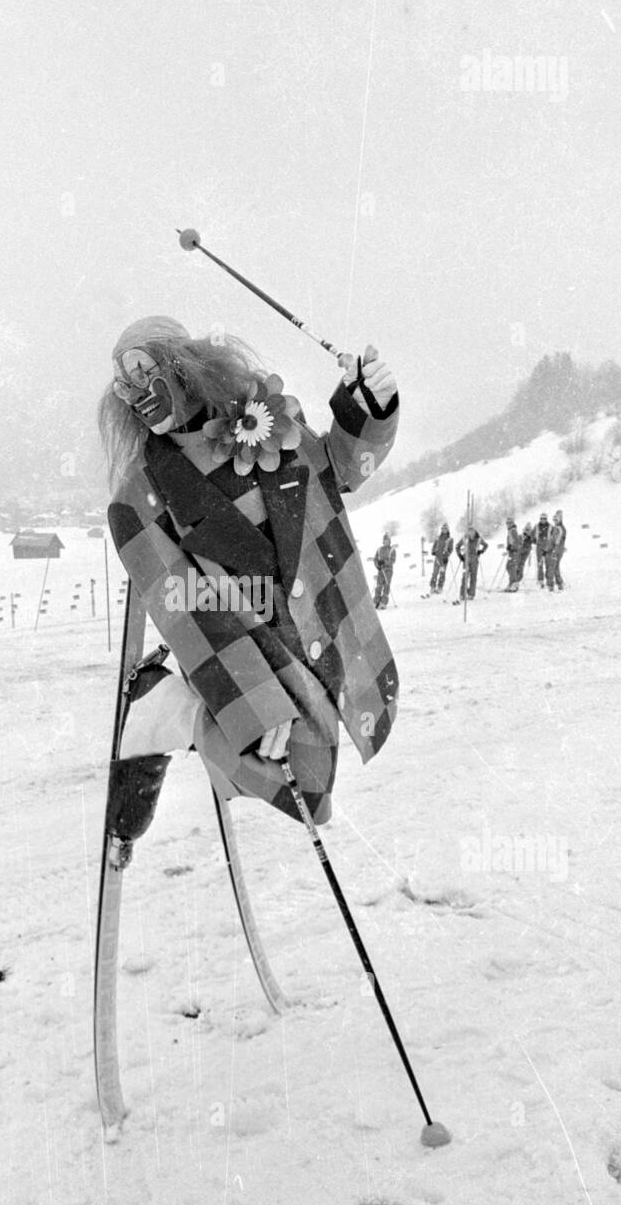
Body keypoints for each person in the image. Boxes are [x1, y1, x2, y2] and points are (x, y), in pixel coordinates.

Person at [99, 315, 400, 843]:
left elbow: (341, 471)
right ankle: (168, 712)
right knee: (304, 785)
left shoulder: (270, 421)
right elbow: (186, 606)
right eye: (124, 384)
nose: (135, 392)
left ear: (185, 364)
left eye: (143, 370)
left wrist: (367, 409)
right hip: (242, 646)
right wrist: (256, 705)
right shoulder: (137, 499)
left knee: (349, 728)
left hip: (320, 625)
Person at [456, 525, 487, 600]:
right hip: (466, 559)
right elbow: (457, 546)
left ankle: (471, 594)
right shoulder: (465, 538)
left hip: (475, 559)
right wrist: (460, 555)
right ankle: (462, 594)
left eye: (472, 531)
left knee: (473, 577)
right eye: (469, 531)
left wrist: (481, 551)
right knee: (465, 577)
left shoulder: (478, 539)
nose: (471, 532)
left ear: (475, 531)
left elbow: (486, 545)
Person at [373, 533, 397, 608]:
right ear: (383, 541)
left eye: (388, 540)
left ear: (390, 541)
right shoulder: (379, 549)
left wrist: (384, 562)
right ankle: (376, 601)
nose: (386, 542)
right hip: (381, 570)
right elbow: (375, 559)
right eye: (385, 540)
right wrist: (377, 565)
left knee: (386, 585)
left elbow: (392, 560)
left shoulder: (392, 550)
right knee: (379, 585)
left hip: (388, 570)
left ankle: (383, 602)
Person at [429, 523, 452, 594]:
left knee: (442, 573)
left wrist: (447, 555)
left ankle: (440, 587)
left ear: (447, 530)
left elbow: (450, 549)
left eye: (445, 529)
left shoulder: (450, 539)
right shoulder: (438, 538)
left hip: (444, 559)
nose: (444, 530)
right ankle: (433, 587)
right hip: (437, 558)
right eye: (442, 529)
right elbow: (434, 545)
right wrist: (433, 551)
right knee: (435, 573)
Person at [546, 510, 566, 590]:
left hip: (556, 551)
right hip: (555, 550)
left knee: (551, 567)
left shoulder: (560, 529)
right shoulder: (556, 528)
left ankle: (550, 585)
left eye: (556, 520)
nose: (554, 521)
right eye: (554, 520)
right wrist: (547, 549)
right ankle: (559, 583)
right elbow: (552, 540)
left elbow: (557, 541)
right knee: (555, 567)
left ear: (560, 520)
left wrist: (554, 550)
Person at [504, 517, 521, 591]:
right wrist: (509, 546)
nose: (508, 524)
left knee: (511, 566)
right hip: (512, 551)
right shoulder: (510, 530)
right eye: (507, 523)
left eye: (510, 523)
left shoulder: (513, 530)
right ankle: (512, 582)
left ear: (513, 523)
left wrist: (512, 547)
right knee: (509, 566)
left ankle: (514, 583)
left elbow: (517, 541)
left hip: (514, 551)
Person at [535, 512, 550, 582]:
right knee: (540, 563)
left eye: (544, 519)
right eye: (541, 519)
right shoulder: (537, 526)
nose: (543, 520)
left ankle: (548, 578)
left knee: (548, 563)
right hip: (539, 546)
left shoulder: (550, 526)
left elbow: (553, 536)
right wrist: (533, 540)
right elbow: (532, 534)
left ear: (546, 519)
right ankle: (540, 579)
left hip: (547, 546)